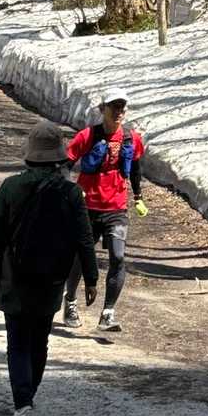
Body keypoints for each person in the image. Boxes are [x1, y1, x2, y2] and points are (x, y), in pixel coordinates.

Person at [0, 121, 99, 416]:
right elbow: (84, 238)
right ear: (59, 157)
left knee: (18, 341)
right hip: (53, 278)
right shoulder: (71, 193)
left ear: (30, 155)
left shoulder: (11, 187)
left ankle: (22, 404)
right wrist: (91, 278)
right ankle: (28, 397)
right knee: (40, 340)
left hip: (15, 276)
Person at [63, 89, 146, 333]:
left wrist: (138, 197)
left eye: (122, 107)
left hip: (116, 208)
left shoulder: (131, 139)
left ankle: (108, 313)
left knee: (118, 257)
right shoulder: (87, 136)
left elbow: (136, 169)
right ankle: (70, 301)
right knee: (81, 257)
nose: (119, 112)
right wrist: (71, 190)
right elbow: (65, 165)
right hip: (87, 208)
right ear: (103, 109)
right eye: (114, 107)